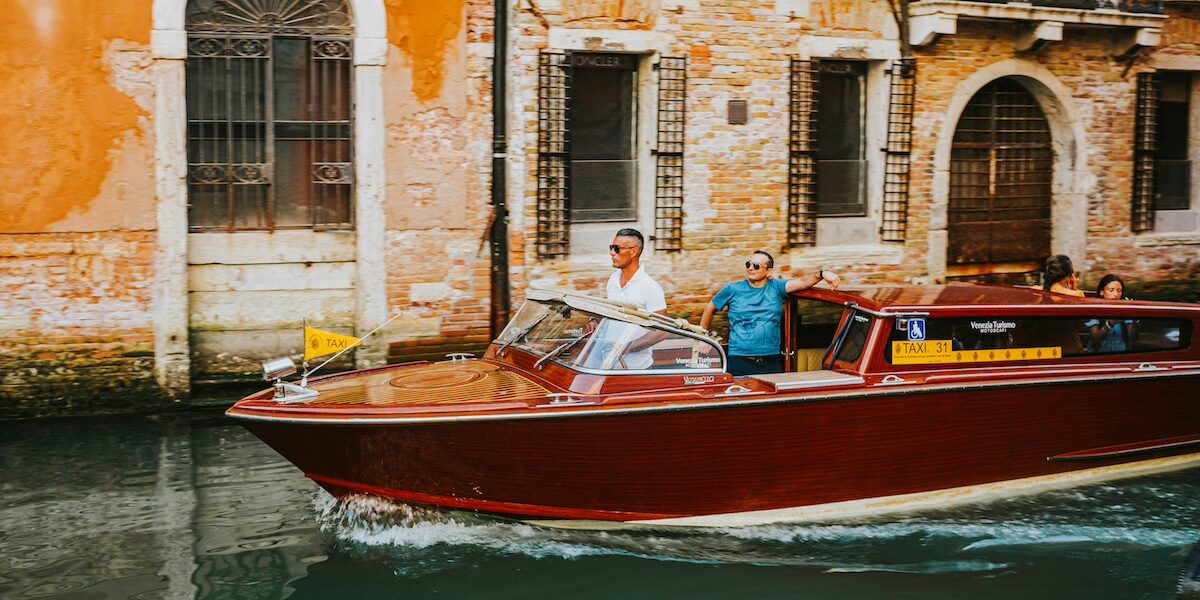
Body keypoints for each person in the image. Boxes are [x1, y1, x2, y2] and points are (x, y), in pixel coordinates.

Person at [699, 251, 840, 376]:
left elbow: (802, 282)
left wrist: (823, 273)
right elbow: (710, 309)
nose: (750, 268)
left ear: (768, 272)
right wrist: (703, 337)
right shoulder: (732, 289)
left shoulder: (776, 287)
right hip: (738, 360)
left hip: (770, 360)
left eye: (756, 265)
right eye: (748, 264)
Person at [605, 228, 667, 314]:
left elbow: (660, 325)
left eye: (617, 248)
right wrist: (595, 321)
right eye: (611, 247)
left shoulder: (650, 287)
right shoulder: (613, 278)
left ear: (634, 252)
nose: (612, 253)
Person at [1086, 274, 1135, 352]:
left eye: (1119, 291)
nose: (1116, 294)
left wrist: (1131, 314)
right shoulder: (1095, 309)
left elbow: (1131, 338)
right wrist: (1110, 324)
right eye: (1111, 290)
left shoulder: (1124, 309)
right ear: (1102, 292)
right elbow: (1095, 340)